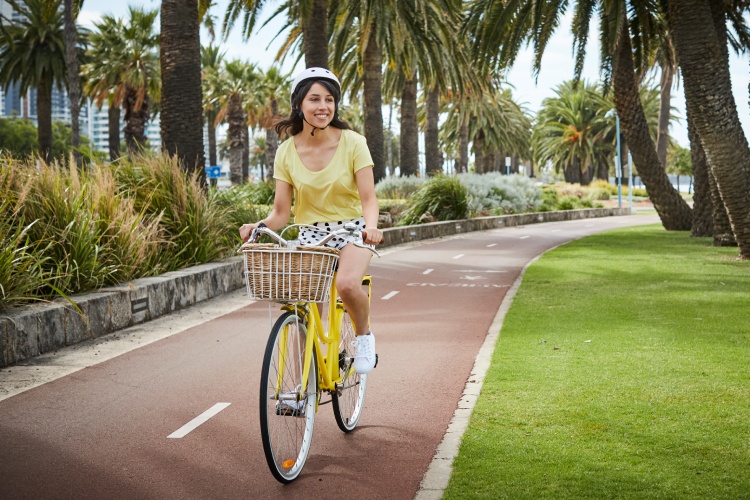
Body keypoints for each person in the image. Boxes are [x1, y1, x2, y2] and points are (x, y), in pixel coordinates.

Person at [239, 67, 383, 375]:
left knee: (345, 284)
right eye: (314, 99)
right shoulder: (286, 151)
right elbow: (281, 212)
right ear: (299, 105)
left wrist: (371, 227)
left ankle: (364, 336)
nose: (323, 107)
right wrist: (258, 226)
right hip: (310, 236)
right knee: (304, 307)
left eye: (329, 99)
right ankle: (303, 385)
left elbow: (369, 200)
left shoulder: (354, 143)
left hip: (352, 230)